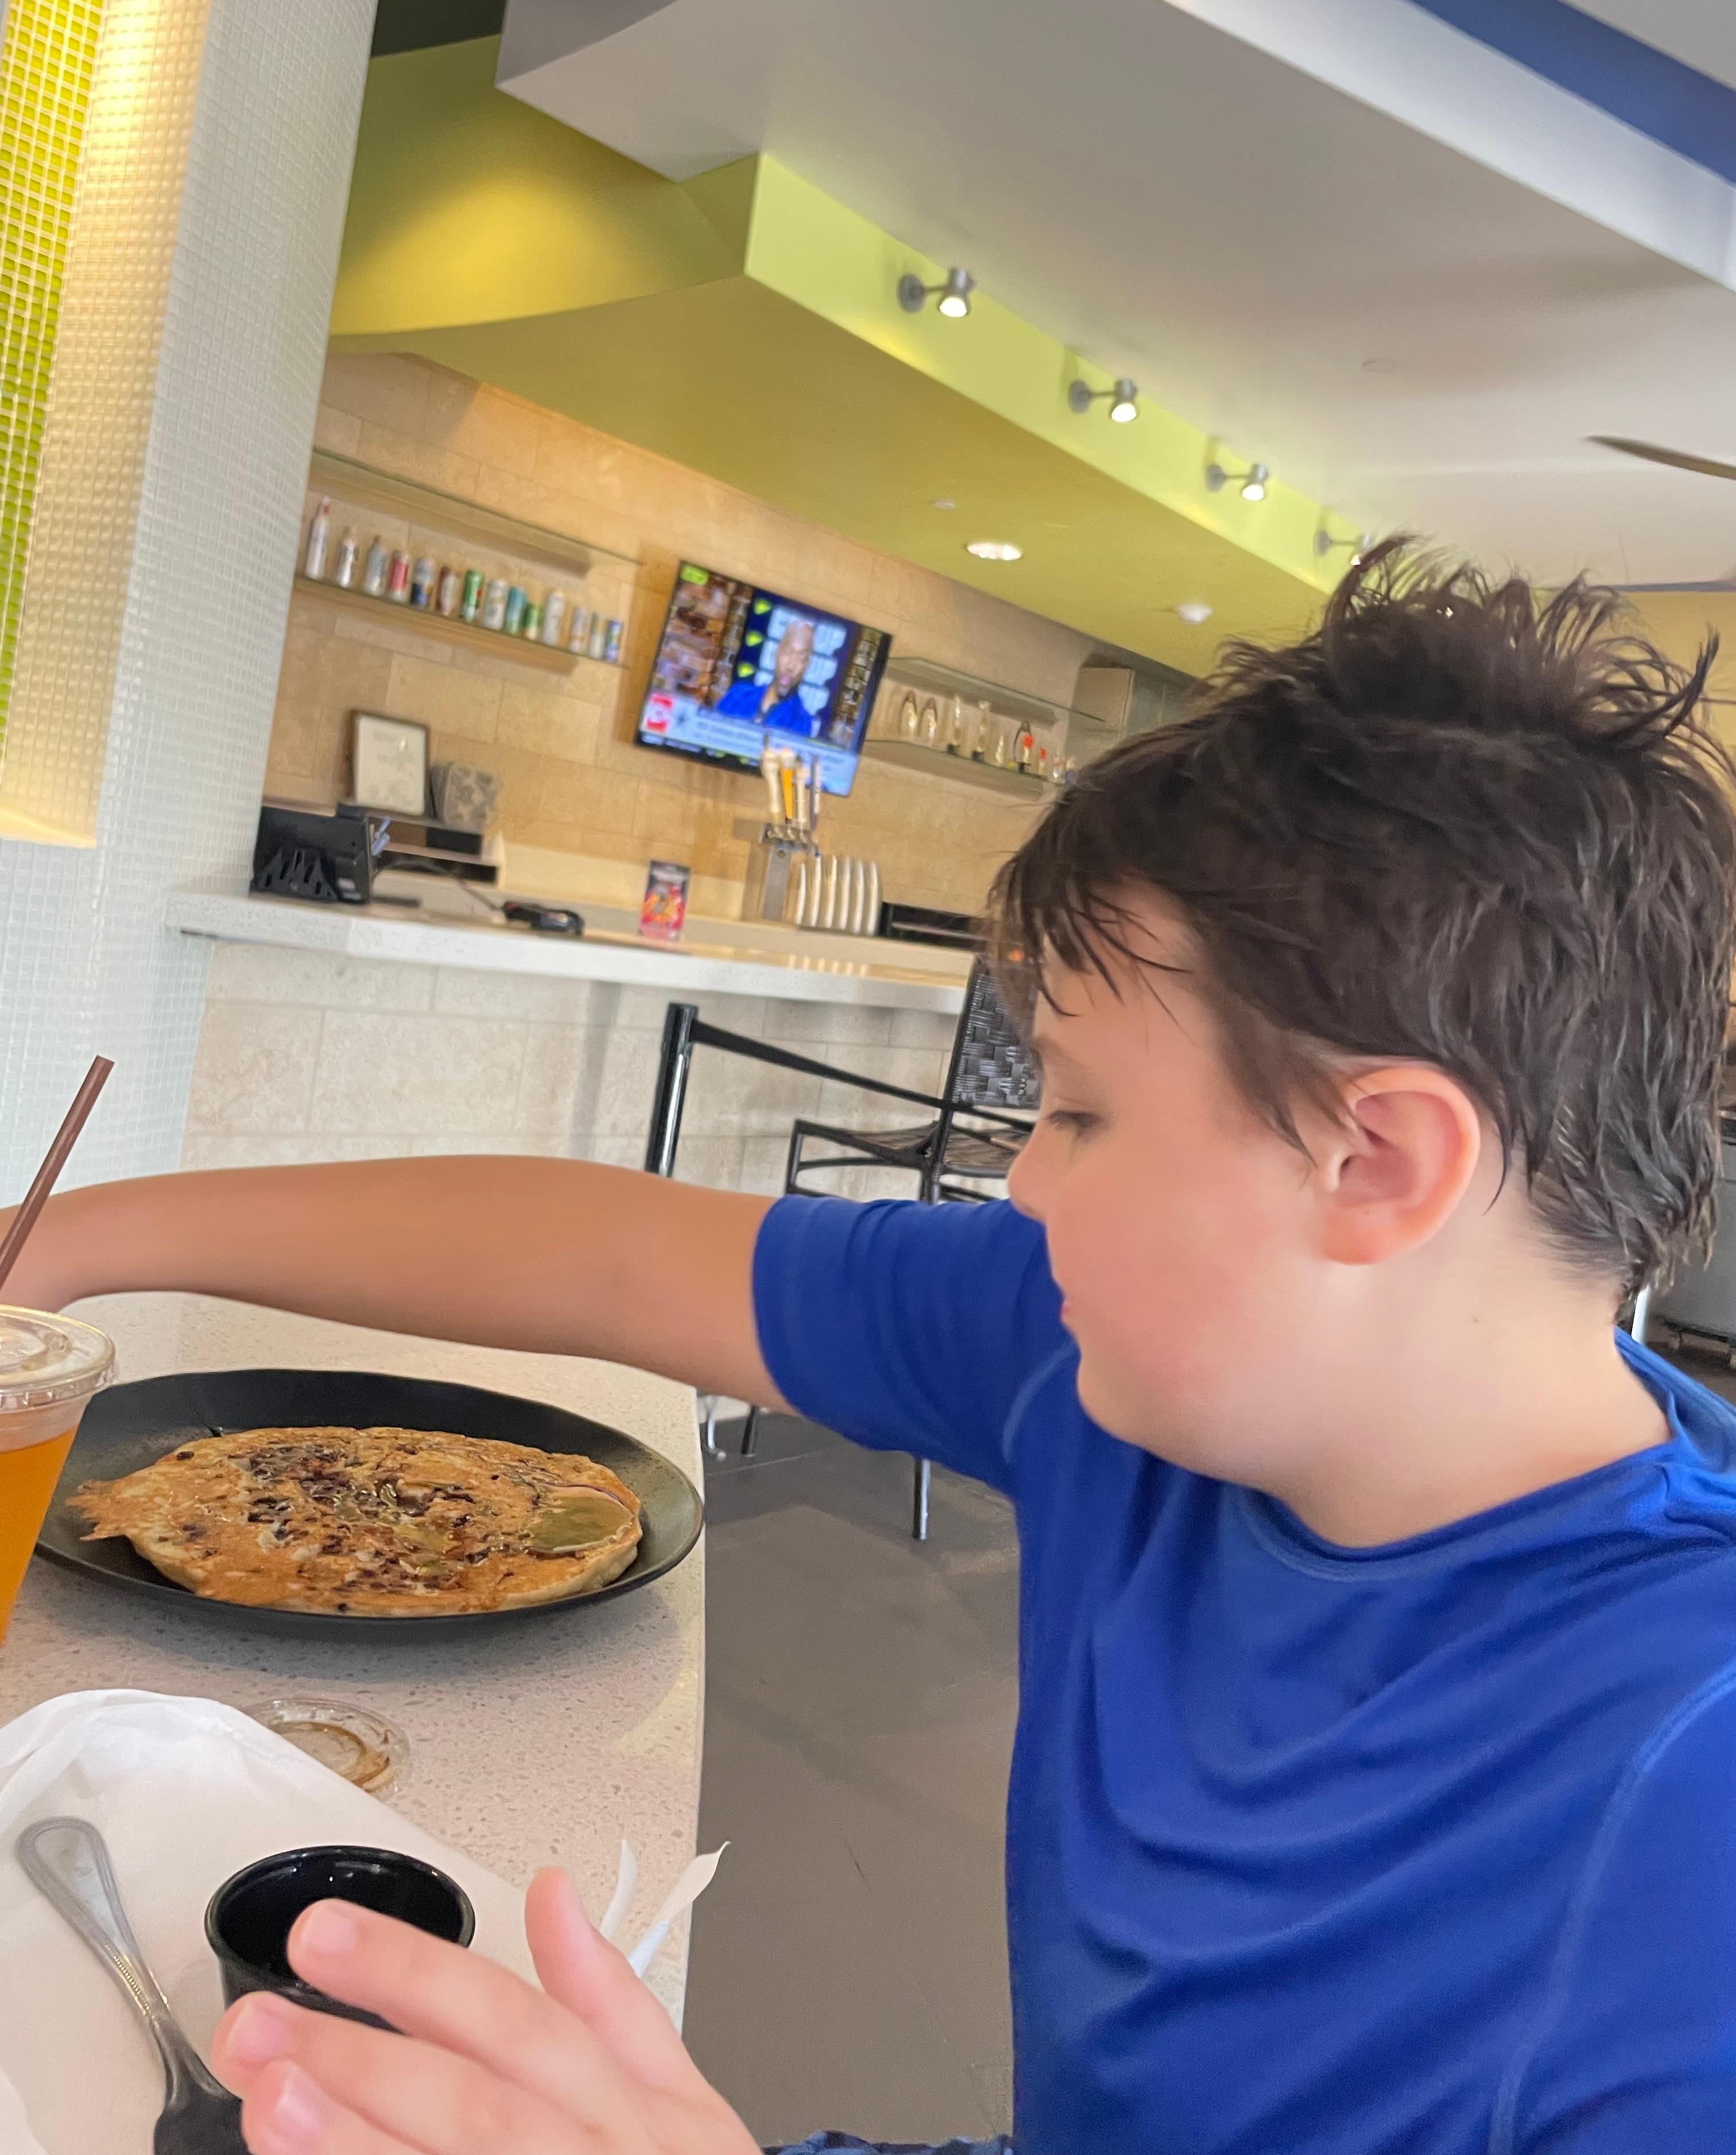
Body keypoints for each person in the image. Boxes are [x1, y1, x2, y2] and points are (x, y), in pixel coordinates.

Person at [18, 546, 1736, 2154]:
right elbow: (615, 1254)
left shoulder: (1683, 1816)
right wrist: (57, 1242)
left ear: (1378, 1162)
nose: (1022, 1185)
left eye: (1079, 1113)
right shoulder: (1114, 1358)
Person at [715, 618, 819, 735]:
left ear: (807, 666)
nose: (791, 666)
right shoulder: (738, 694)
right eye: (787, 652)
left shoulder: (802, 723)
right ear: (776, 653)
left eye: (801, 658)